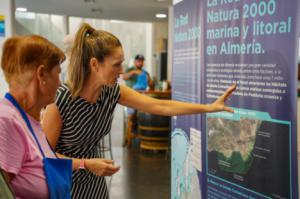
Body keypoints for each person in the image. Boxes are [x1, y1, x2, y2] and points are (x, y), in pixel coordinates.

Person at [42, 23, 236, 199]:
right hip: (64, 184)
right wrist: (85, 164)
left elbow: (162, 106)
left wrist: (209, 107)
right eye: (116, 64)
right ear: (94, 64)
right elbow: (46, 156)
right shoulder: (61, 100)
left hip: (94, 182)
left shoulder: (112, 92)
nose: (121, 71)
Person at [0, 35, 72, 198]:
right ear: (41, 75)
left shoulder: (30, 119)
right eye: (58, 73)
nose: (60, 83)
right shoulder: (6, 121)